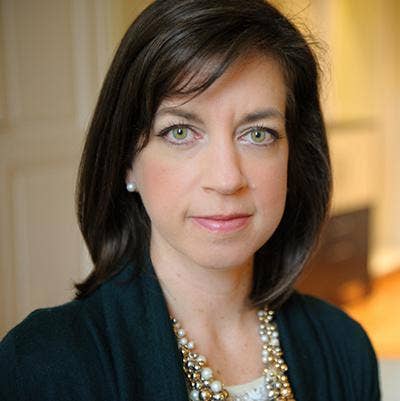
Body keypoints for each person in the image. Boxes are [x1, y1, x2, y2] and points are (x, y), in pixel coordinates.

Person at [0, 0, 380, 400]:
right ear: (126, 161)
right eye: (180, 132)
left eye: (258, 134)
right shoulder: (39, 365)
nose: (226, 179)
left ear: (293, 156)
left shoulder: (345, 348)